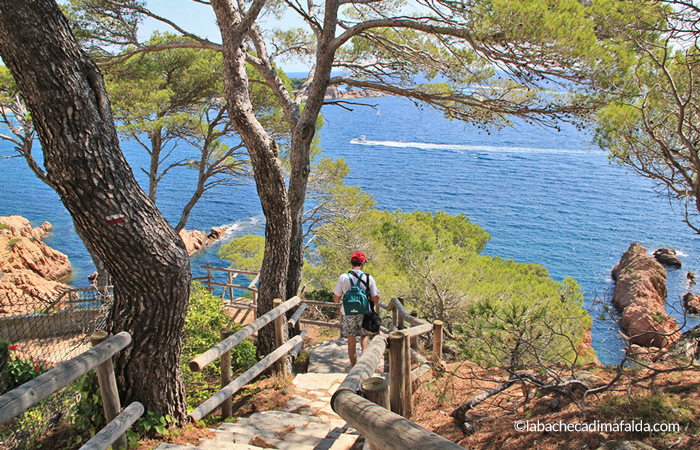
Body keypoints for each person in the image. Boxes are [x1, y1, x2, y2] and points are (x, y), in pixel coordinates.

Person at [333, 251, 380, 367]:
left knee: (351, 339)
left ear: (351, 262)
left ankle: (353, 367)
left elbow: (336, 299)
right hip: (365, 313)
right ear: (363, 263)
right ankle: (363, 365)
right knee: (364, 335)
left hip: (348, 313)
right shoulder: (368, 278)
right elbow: (376, 299)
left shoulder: (343, 277)